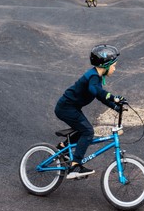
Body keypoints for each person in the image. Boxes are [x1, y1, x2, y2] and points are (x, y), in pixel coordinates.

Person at [54, 45, 126, 179]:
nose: (115, 69)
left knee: (84, 129)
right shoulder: (93, 77)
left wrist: (116, 106)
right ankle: (75, 166)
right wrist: (113, 97)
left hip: (71, 108)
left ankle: (62, 147)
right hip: (65, 108)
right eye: (114, 66)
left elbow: (100, 96)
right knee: (88, 131)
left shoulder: (96, 77)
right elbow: (95, 91)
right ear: (106, 65)